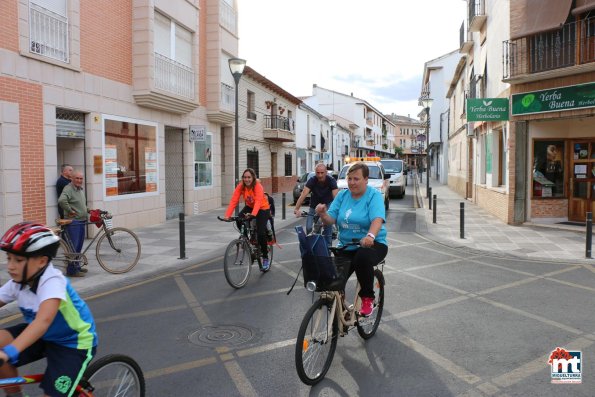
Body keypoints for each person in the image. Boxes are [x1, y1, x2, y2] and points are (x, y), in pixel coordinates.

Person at [0, 222, 97, 397]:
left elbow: (42, 322)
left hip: (72, 343)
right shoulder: (18, 282)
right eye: (9, 258)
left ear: (42, 261)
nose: (11, 266)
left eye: (19, 260)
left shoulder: (52, 281)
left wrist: (10, 351)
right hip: (43, 337)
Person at [315, 162, 388, 317]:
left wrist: (370, 236)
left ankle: (367, 298)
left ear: (366, 179)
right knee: (331, 279)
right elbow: (330, 219)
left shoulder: (373, 195)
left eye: (356, 179)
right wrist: (322, 214)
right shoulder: (342, 195)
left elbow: (377, 219)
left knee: (362, 258)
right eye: (350, 179)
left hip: (374, 244)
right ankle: (341, 310)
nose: (352, 182)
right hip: (347, 245)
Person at [224, 168, 272, 271]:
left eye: (249, 177)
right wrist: (227, 215)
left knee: (260, 233)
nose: (247, 179)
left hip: (262, 208)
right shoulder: (241, 186)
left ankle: (265, 257)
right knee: (238, 219)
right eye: (245, 177)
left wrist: (253, 214)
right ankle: (247, 240)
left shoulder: (258, 186)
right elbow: (234, 200)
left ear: (253, 178)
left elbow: (259, 201)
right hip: (250, 207)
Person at [294, 163, 338, 246]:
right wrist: (296, 209)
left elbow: (336, 198)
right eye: (318, 173)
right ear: (315, 172)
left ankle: (327, 248)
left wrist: (337, 210)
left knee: (327, 228)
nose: (320, 175)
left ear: (326, 172)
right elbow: (304, 194)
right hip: (314, 205)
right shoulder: (312, 180)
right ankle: (312, 246)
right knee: (309, 227)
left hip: (327, 205)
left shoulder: (331, 180)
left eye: (322, 173)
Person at [58, 171, 89, 277]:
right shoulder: (68, 188)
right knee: (73, 247)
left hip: (81, 221)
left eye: (81, 179)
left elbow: (80, 205)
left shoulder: (80, 189)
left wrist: (88, 210)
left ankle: (77, 266)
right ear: (72, 179)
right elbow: (62, 201)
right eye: (77, 178)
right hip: (73, 222)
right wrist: (70, 211)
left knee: (79, 246)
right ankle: (72, 271)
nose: (79, 180)